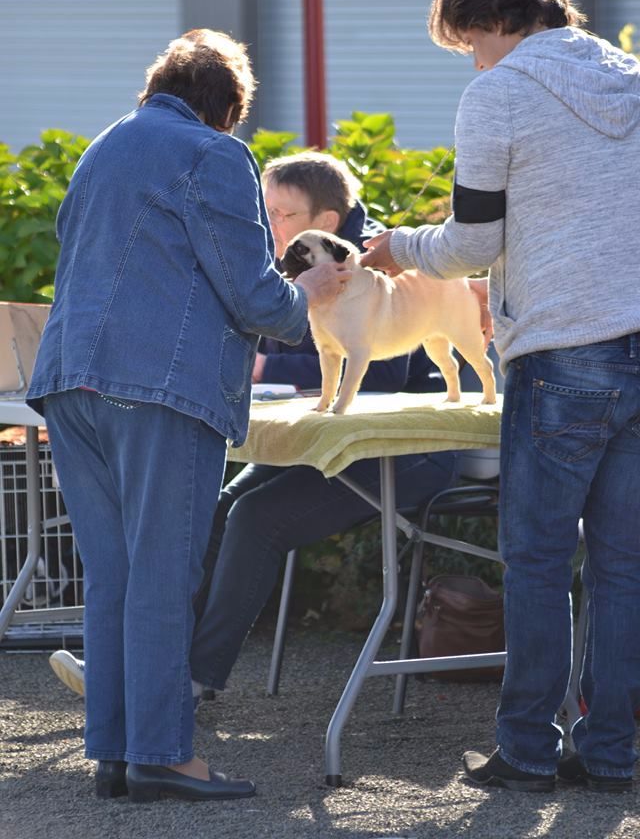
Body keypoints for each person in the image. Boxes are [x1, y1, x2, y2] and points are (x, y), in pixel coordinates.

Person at [27, 29, 349, 803]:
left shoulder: (103, 145)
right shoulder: (214, 154)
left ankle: (115, 752)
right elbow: (252, 294)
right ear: (227, 110)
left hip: (70, 382)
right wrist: (314, 296)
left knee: (114, 576)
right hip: (161, 388)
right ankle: (165, 756)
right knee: (163, 575)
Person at [49, 151, 491, 707]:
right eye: (266, 210)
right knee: (213, 503)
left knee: (255, 517)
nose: (266, 223)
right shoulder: (296, 264)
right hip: (325, 439)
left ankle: (190, 680)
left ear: (325, 223)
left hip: (408, 450)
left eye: (280, 214)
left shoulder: (375, 261)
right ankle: (140, 667)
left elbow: (381, 367)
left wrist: (263, 366)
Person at [360, 0, 640, 794]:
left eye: (467, 42)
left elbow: (474, 244)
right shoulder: (631, 78)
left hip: (562, 350)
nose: (469, 60)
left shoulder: (499, 93)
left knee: (540, 559)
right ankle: (613, 753)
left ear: (493, 22)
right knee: (625, 566)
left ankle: (525, 751)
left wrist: (399, 247)